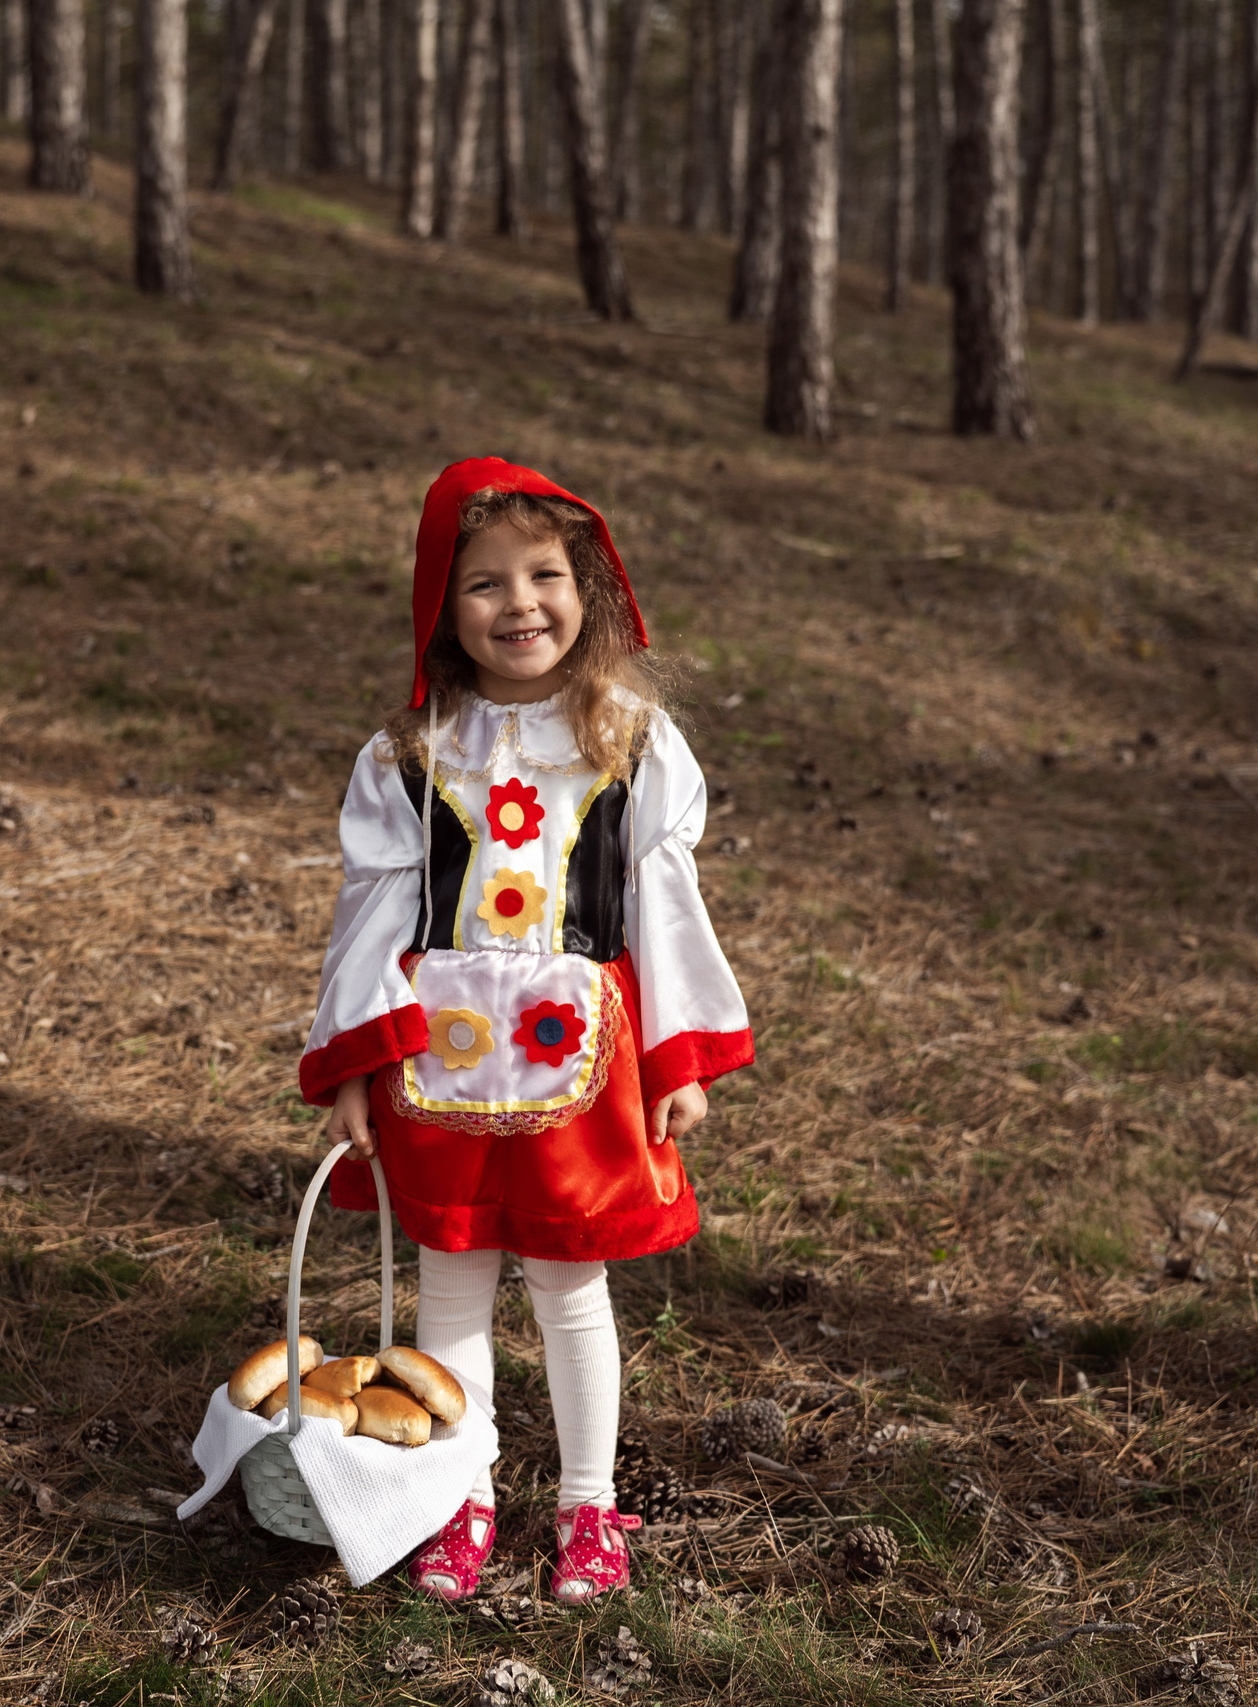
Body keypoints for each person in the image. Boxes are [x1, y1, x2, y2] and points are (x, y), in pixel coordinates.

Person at [298, 456, 753, 1604]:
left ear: (585, 587)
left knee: (566, 1285)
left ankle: (588, 1505)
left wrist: (678, 1056)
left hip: (581, 1062)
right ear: (442, 607)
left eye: (543, 575)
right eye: (484, 582)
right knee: (450, 1287)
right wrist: (352, 1065)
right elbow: (371, 912)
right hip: (435, 1061)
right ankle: (460, 1496)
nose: (519, 604)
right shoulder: (409, 753)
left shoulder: (629, 738)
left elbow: (662, 902)